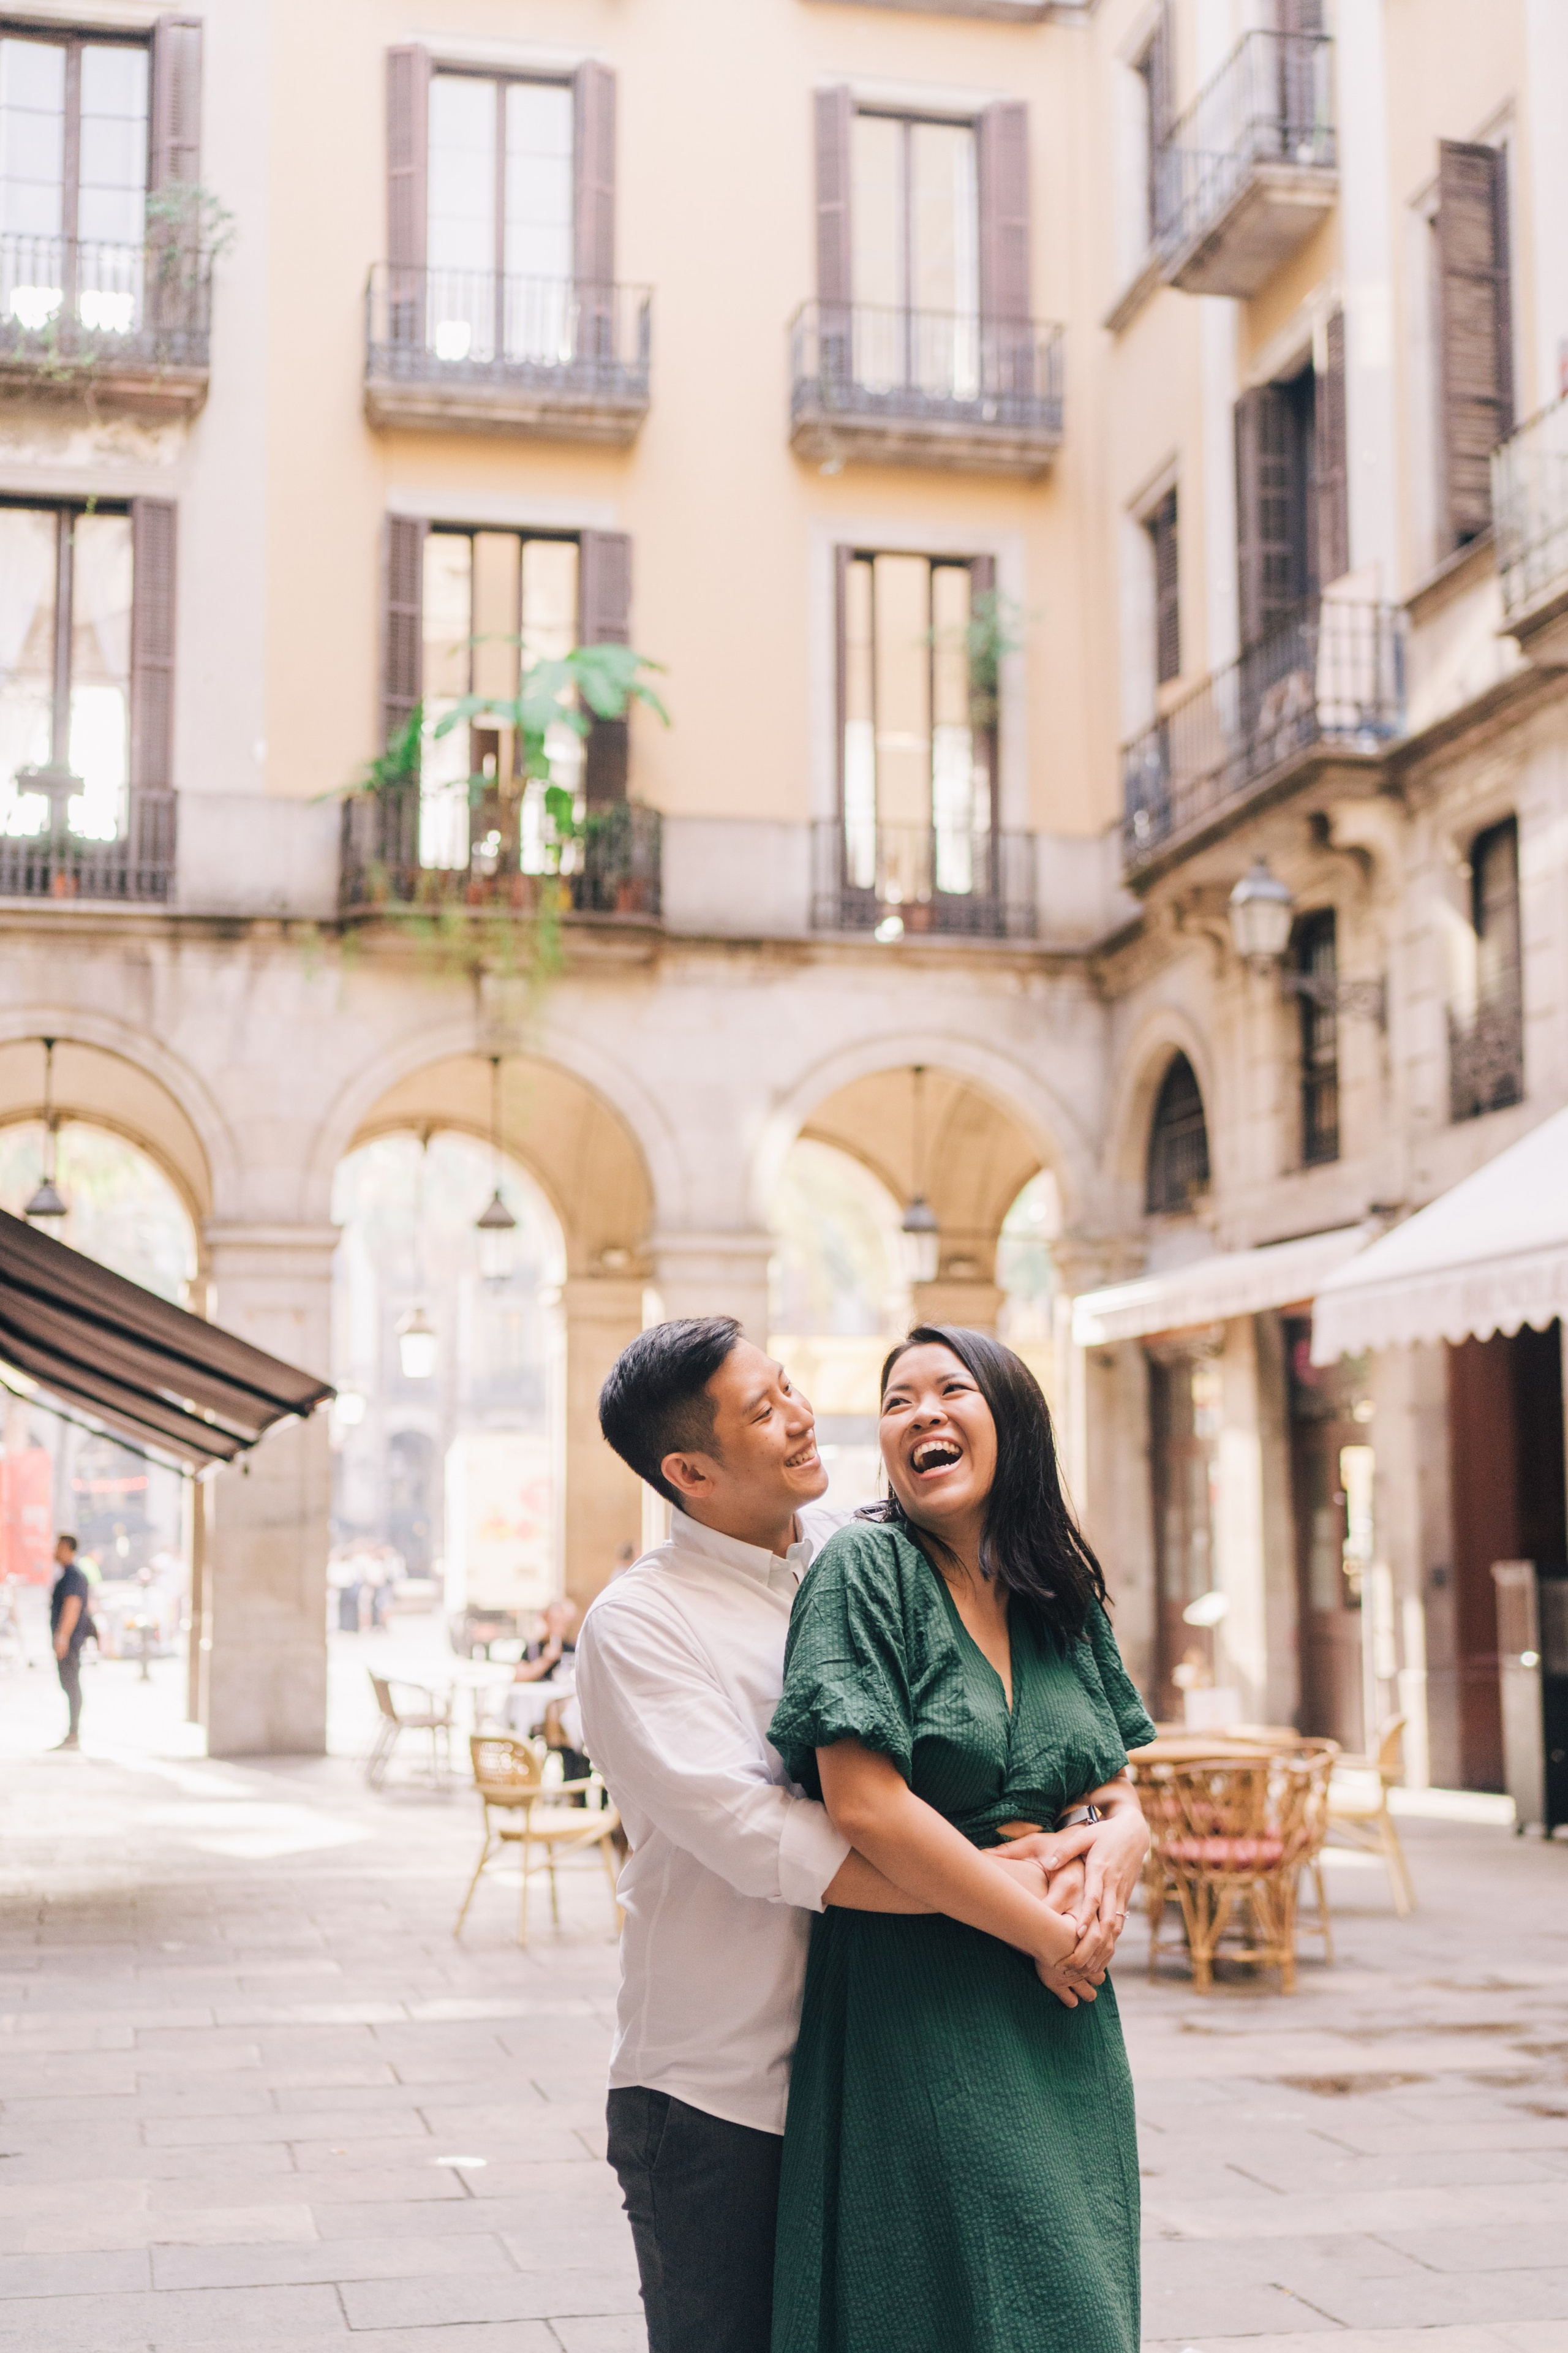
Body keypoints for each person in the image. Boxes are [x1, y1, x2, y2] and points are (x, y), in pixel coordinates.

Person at [576, 1318, 1145, 2353]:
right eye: (763, 1410)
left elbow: (1052, 1726)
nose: (801, 1415)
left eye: (789, 1387)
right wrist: (1012, 1899)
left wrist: (1115, 1830)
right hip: (728, 2090)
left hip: (888, 2055)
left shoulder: (865, 1550)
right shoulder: (640, 1624)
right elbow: (771, 1840)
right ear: (688, 1470)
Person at [767, 1326, 1156, 2353]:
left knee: (1087, 2298)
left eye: (953, 1389)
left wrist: (1125, 1842)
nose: (923, 1413)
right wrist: (1040, 1926)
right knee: (989, 2305)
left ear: (1013, 1421)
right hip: (925, 1993)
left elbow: (1118, 1782)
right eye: (898, 1401)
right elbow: (864, 1805)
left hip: (1067, 2009)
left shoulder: (1058, 1587)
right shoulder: (866, 1567)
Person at [48, 1534, 93, 1752]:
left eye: (58, 1547)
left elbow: (72, 1607)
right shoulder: (69, 1575)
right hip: (71, 1640)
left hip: (71, 1641)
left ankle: (74, 1733)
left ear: (67, 1548)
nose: (54, 1551)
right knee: (70, 1686)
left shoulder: (73, 1576)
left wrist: (62, 1637)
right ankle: (73, 1733)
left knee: (72, 1686)